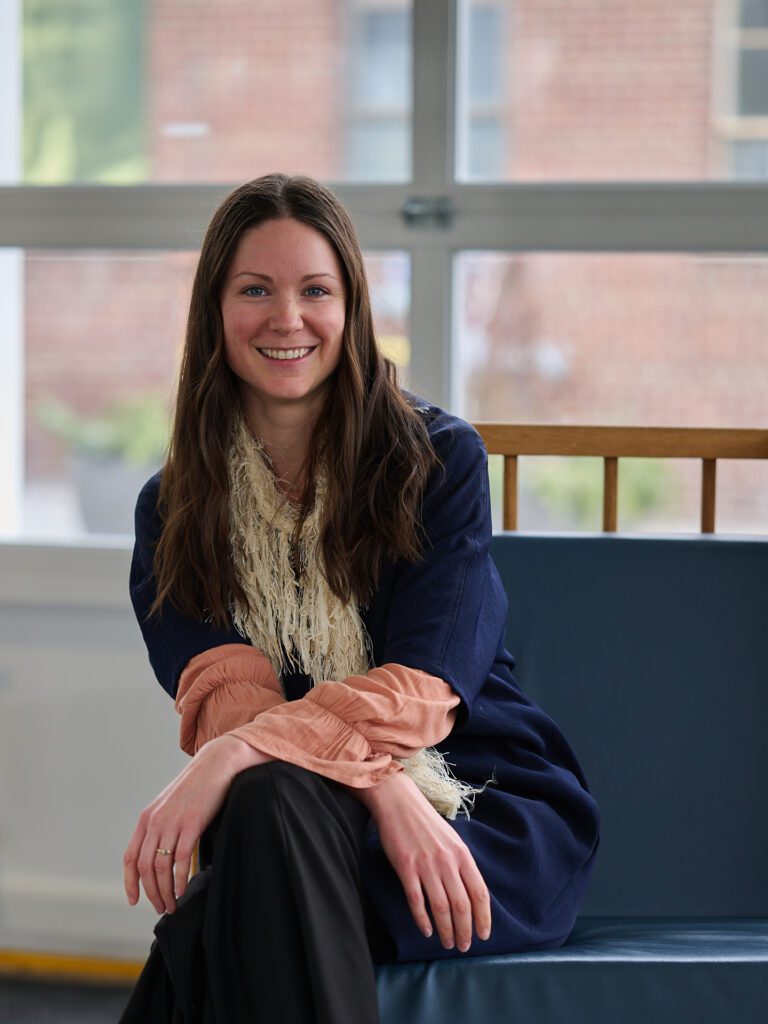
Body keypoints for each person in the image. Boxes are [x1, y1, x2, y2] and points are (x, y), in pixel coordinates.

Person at [120, 173, 600, 1023]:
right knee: (269, 819)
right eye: (254, 290)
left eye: (315, 290)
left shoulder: (438, 461)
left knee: (245, 861)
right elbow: (232, 704)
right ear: (214, 311)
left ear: (352, 307)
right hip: (322, 824)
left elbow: (419, 690)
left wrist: (235, 759)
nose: (287, 318)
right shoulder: (176, 511)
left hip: (472, 814)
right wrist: (379, 791)